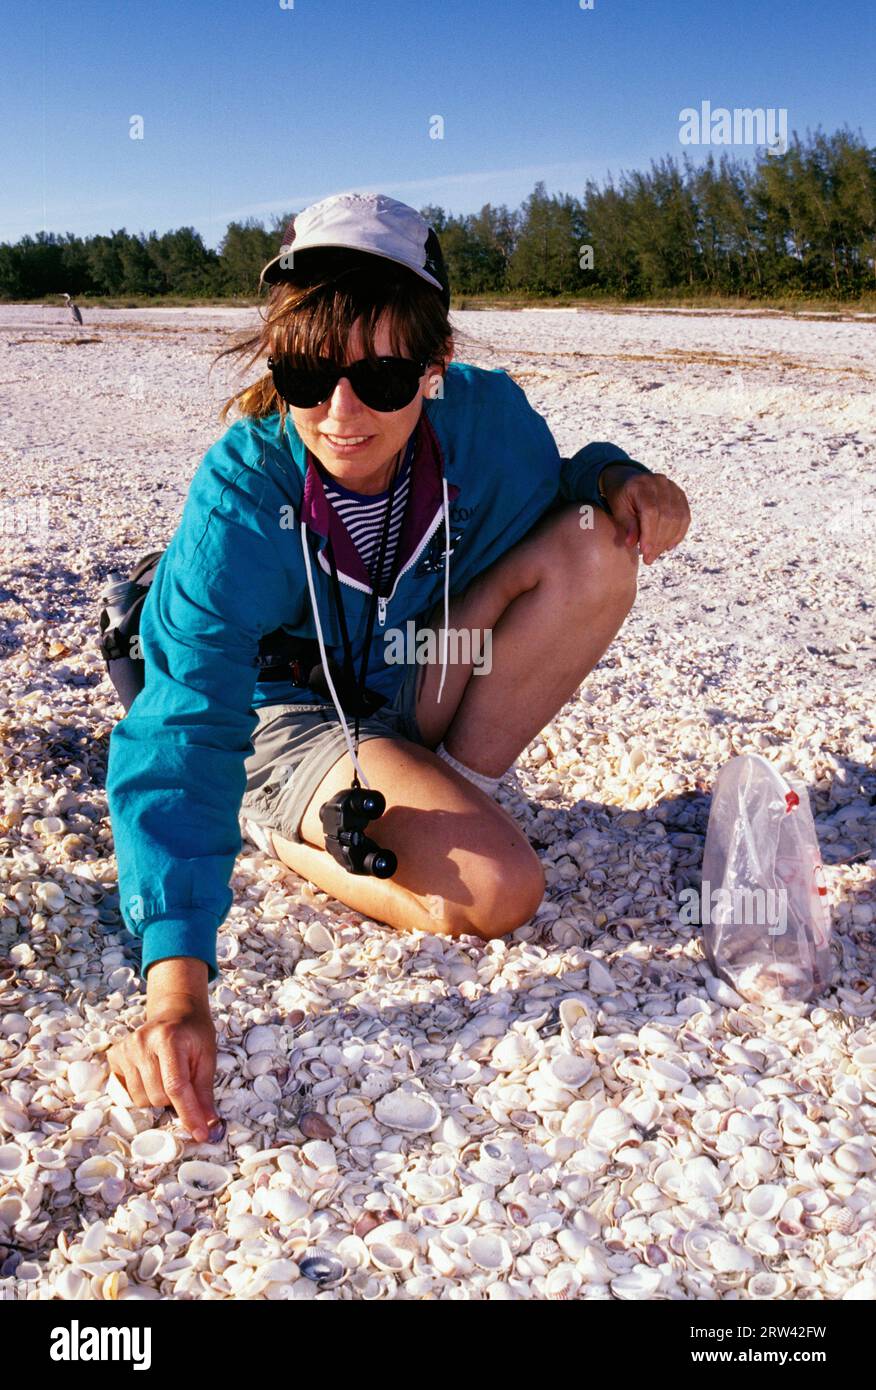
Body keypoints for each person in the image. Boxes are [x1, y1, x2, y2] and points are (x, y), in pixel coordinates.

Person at [105, 192, 690, 1141]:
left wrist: (619, 479)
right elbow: (183, 728)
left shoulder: (486, 421)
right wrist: (176, 988)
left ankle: (444, 793)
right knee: (503, 892)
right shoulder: (240, 497)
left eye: (382, 378)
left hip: (399, 671)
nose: (341, 414)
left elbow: (561, 482)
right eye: (307, 372)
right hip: (282, 711)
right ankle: (282, 820)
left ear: (435, 369)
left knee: (593, 545)